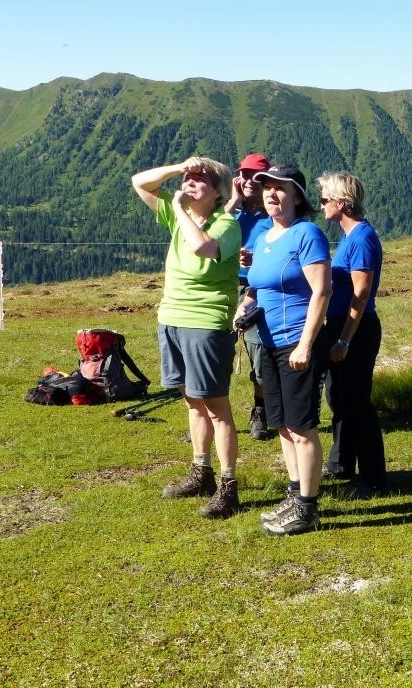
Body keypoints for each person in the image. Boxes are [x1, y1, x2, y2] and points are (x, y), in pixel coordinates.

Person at [131, 156, 243, 519]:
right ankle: (201, 473)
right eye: (189, 178)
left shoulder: (226, 224)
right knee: (192, 401)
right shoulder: (179, 212)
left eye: (200, 180)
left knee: (216, 406)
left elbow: (204, 248)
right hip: (172, 318)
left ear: (217, 192)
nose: (190, 183)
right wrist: (177, 167)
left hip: (206, 323)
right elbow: (139, 182)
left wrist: (179, 208)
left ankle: (229, 486)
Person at [237, 164, 331, 536]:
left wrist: (307, 343)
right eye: (267, 189)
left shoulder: (307, 234)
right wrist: (243, 308)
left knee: (302, 426)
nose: (271, 194)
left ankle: (307, 509)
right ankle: (295, 496)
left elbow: (321, 291)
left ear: (297, 197)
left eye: (280, 189)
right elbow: (257, 287)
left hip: (296, 342)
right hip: (269, 342)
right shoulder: (263, 239)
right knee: (281, 424)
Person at [317, 171, 386, 497]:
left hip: (355, 330)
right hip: (343, 327)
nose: (321, 205)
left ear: (342, 203)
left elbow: (361, 293)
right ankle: (341, 462)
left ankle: (372, 478)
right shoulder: (350, 237)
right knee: (340, 397)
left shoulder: (360, 239)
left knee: (357, 403)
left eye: (325, 199)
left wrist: (344, 339)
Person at [226, 153, 275, 440]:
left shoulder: (274, 214)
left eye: (256, 176)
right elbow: (207, 231)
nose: (249, 181)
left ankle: (260, 409)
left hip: (257, 290)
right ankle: (213, 415)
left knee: (258, 351)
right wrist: (232, 200)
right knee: (219, 348)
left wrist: (258, 259)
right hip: (225, 286)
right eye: (243, 175)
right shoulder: (229, 211)